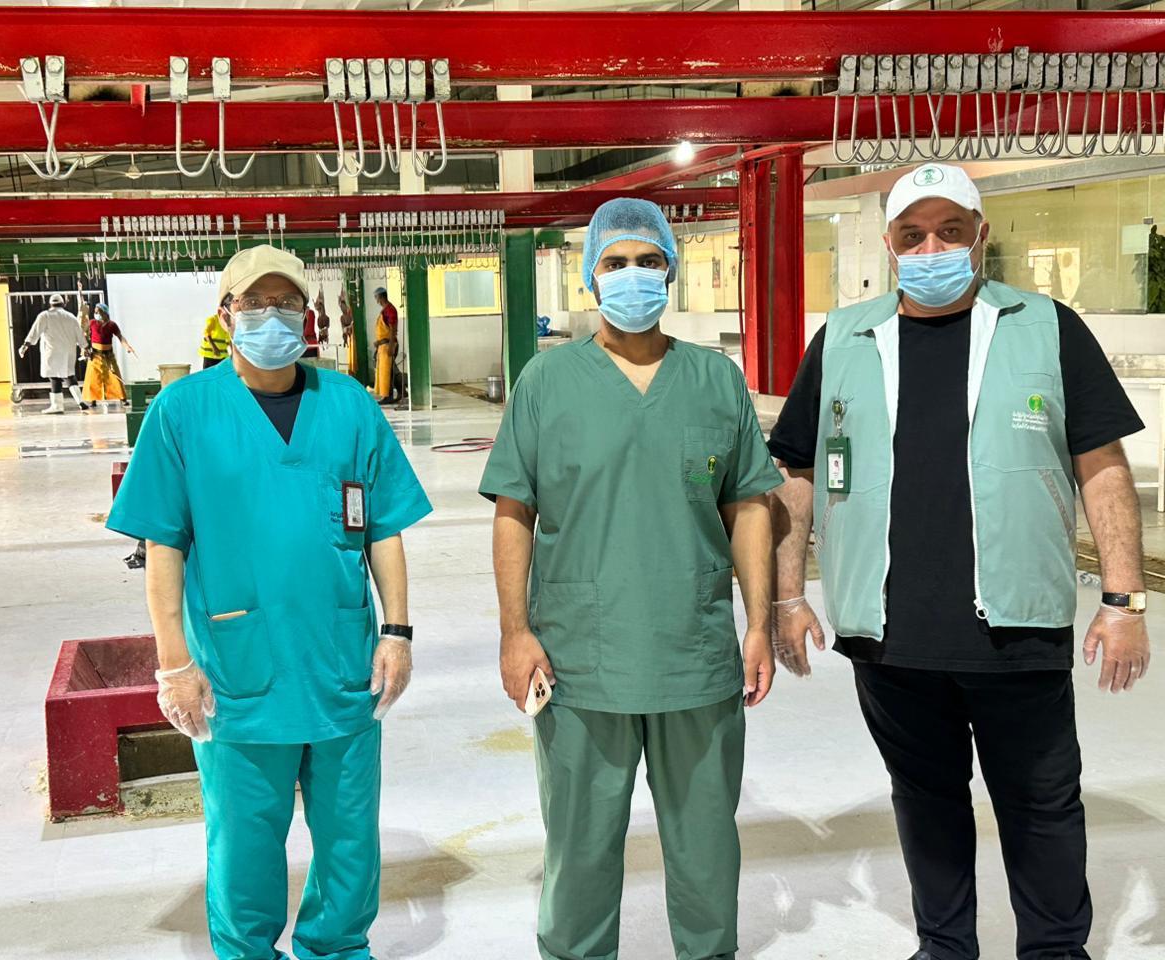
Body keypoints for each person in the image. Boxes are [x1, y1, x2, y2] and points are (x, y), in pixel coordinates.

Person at [767, 163, 1152, 960]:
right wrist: (786, 596)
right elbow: (797, 471)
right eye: (913, 235)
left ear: (982, 235)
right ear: (889, 244)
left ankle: (1055, 951)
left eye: (950, 231)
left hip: (1018, 625)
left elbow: (1102, 465)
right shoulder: (844, 337)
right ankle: (945, 948)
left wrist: (1123, 599)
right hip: (888, 630)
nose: (931, 249)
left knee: (1042, 805)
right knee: (925, 801)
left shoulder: (1046, 326)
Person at [107, 244, 432, 960]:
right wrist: (173, 665)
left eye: (286, 303)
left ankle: (336, 949)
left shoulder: (348, 404)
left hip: (341, 664)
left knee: (350, 838)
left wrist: (397, 632)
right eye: (254, 303)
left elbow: (384, 527)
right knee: (245, 844)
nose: (271, 316)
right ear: (226, 315)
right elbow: (163, 547)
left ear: (307, 314)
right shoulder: (183, 412)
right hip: (238, 672)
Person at [479, 198, 782, 960]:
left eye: (648, 261)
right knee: (579, 851)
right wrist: (515, 633)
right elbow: (514, 511)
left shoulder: (714, 380)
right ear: (590, 278)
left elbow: (749, 505)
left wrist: (759, 623)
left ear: (671, 271)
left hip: (694, 655)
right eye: (614, 263)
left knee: (706, 850)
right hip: (581, 660)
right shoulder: (546, 382)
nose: (632, 275)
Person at [19, 293, 88, 414]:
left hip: (52, 352)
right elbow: (80, 335)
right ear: (63, 304)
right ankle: (80, 401)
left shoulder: (45, 315)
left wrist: (25, 345)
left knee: (54, 377)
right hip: (68, 353)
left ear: (50, 304)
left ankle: (57, 406)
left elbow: (34, 333)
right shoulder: (71, 317)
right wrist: (86, 347)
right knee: (69, 376)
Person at [82, 303, 134, 408]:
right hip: (95, 355)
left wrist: (127, 346)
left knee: (114, 375)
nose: (96, 314)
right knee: (93, 377)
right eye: (95, 312)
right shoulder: (92, 323)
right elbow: (84, 335)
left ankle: (122, 398)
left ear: (105, 313)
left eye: (99, 312)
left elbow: (120, 337)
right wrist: (85, 349)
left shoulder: (112, 325)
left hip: (108, 356)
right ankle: (92, 399)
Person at [372, 287, 399, 404]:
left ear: (381, 297)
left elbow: (393, 329)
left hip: (388, 345)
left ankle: (388, 396)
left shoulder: (390, 310)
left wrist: (391, 346)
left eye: (376, 297)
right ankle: (401, 391)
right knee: (390, 371)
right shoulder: (385, 310)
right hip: (383, 345)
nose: (376, 300)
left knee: (387, 372)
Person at [341, 289, 358, 378]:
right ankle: (351, 373)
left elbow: (353, 323)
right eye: (341, 306)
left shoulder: (350, 313)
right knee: (350, 358)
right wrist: (346, 331)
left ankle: (354, 372)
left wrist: (349, 327)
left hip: (353, 337)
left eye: (343, 306)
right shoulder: (342, 317)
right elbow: (343, 329)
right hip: (348, 338)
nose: (342, 308)